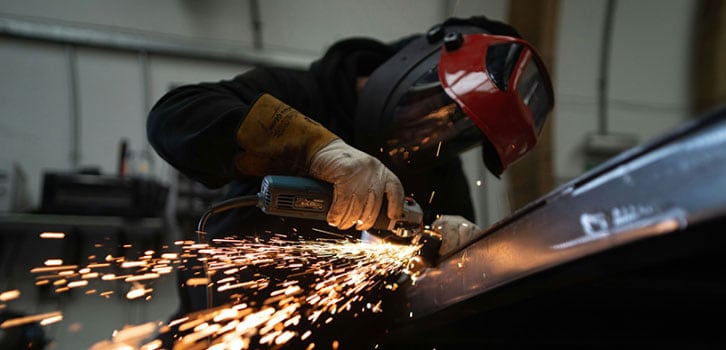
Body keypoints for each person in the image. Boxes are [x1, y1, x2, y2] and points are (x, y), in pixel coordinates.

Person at [147, 15, 554, 347]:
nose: (434, 136)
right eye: (440, 112)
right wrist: (317, 149)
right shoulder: (302, 95)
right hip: (216, 334)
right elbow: (175, 115)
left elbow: (442, 295)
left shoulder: (436, 168)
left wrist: (454, 256)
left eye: (461, 134)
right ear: (417, 66)